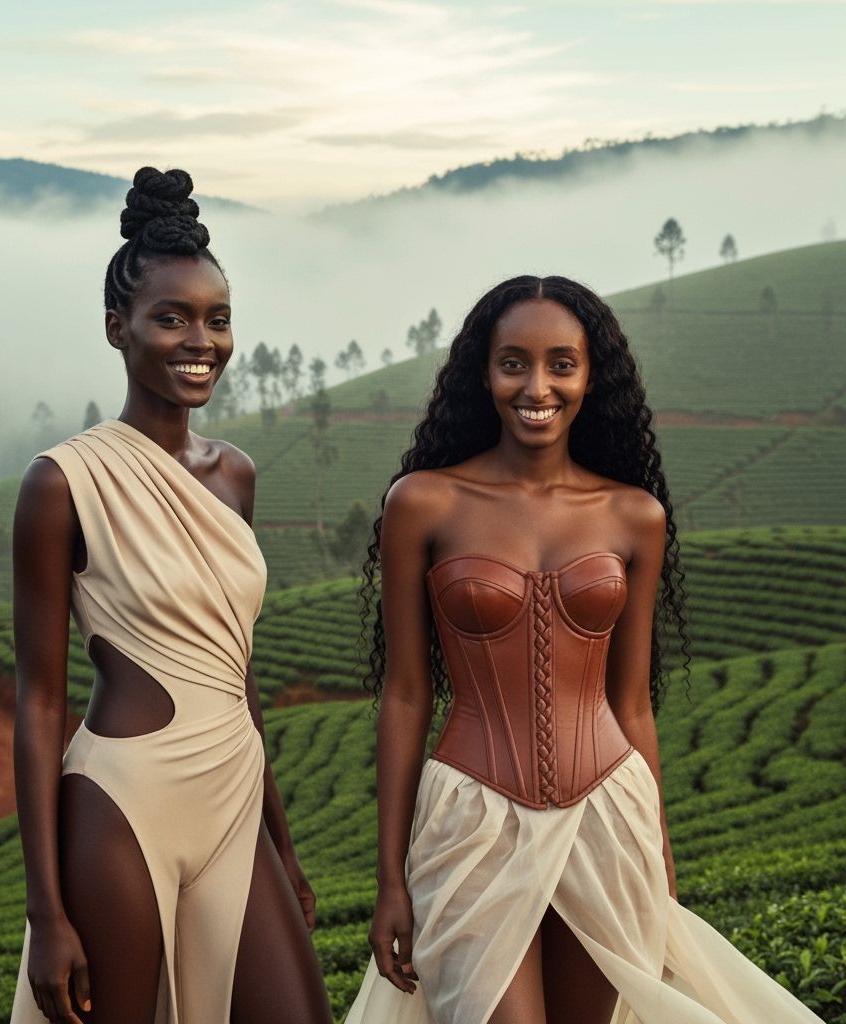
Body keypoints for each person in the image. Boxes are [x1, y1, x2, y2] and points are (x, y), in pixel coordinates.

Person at [344, 275, 822, 1024]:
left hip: (607, 817)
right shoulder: (424, 502)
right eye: (514, 363)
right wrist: (390, 881)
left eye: (561, 363)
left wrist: (658, 861)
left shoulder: (636, 516)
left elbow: (631, 702)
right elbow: (406, 694)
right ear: (483, 372)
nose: (538, 385)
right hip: (471, 820)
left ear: (592, 375)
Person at [8, 167, 332, 1024]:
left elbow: (238, 669)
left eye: (218, 319)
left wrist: (283, 843)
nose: (202, 340)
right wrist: (45, 913)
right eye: (173, 318)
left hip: (233, 798)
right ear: (119, 328)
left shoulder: (235, 477)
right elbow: (39, 701)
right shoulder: (62, 483)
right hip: (123, 801)